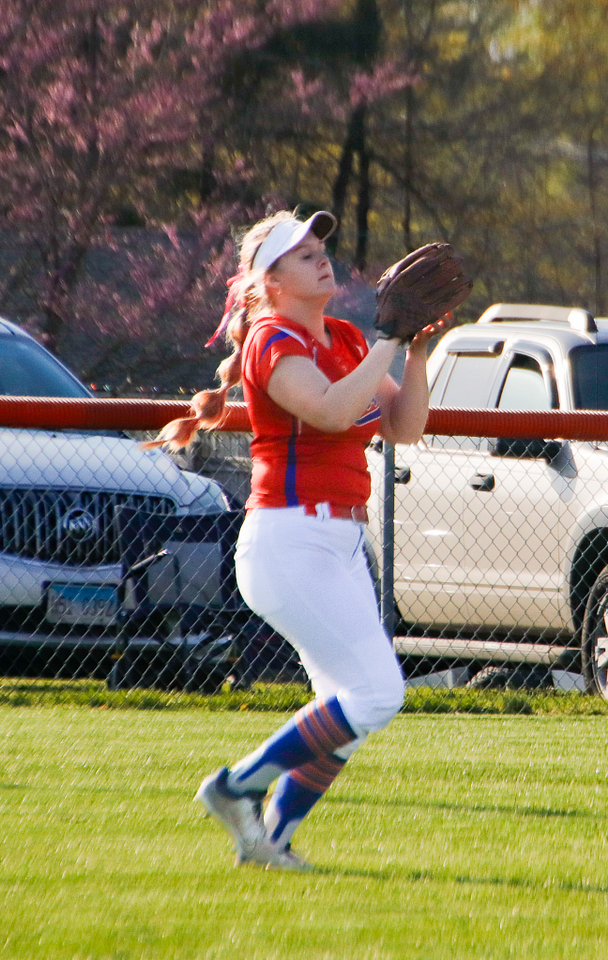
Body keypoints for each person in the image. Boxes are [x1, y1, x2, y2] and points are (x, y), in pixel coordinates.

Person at [178, 209, 454, 871]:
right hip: (289, 542)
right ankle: (235, 786)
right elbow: (330, 410)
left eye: (320, 247)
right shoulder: (270, 338)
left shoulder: (347, 337)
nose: (321, 257)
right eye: (302, 254)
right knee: (378, 695)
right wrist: (388, 339)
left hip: (339, 543)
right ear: (270, 282)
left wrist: (416, 350)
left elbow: (405, 426)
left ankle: (269, 841)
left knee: (348, 709)